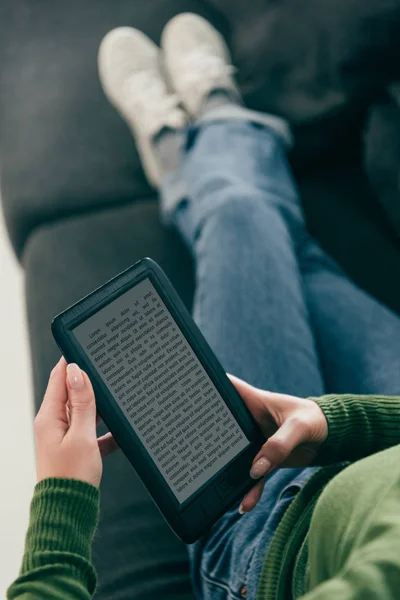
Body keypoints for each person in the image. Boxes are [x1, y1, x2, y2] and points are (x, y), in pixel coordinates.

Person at [7, 13, 400, 600]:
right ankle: (205, 138)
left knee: (240, 215)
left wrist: (64, 498)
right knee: (291, 253)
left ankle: (199, 137)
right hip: (377, 444)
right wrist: (339, 423)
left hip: (269, 535)